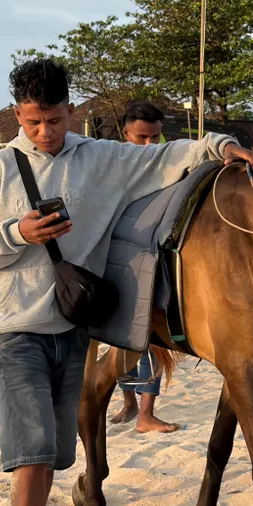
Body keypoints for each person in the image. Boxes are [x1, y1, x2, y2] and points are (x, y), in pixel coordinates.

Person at [0, 60, 252, 506]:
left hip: (74, 326)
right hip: (14, 325)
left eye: (53, 120)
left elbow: (166, 157)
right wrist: (17, 233)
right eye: (32, 123)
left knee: (53, 454)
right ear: (17, 117)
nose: (44, 133)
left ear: (71, 112)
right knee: (31, 451)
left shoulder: (103, 159)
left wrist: (220, 144)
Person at [110, 100, 179, 433]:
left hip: (155, 257)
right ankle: (129, 404)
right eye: (142, 137)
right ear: (126, 132)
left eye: (155, 137)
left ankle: (146, 414)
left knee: (150, 336)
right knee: (118, 334)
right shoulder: (112, 161)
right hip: (118, 255)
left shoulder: (170, 158)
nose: (150, 145)